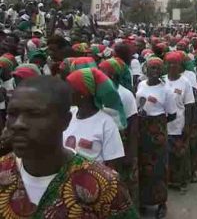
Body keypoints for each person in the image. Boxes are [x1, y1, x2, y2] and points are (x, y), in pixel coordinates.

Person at [0, 76, 138, 218]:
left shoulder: (105, 186)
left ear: (65, 121)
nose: (18, 124)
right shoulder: (3, 172)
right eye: (12, 114)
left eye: (34, 114)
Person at [136, 56, 177, 218]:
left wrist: (157, 126)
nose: (154, 71)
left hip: (157, 131)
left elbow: (172, 115)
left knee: (159, 167)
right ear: (146, 69)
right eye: (151, 68)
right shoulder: (140, 85)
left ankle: (161, 203)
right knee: (142, 165)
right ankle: (144, 201)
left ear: (162, 71)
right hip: (142, 128)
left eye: (157, 68)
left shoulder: (166, 90)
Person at [99, 57, 139, 205]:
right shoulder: (99, 94)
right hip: (106, 143)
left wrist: (131, 153)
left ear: (113, 76)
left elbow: (133, 125)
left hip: (122, 143)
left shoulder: (125, 94)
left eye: (103, 73)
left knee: (124, 182)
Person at [63, 68, 126, 164]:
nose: (65, 93)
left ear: (82, 94)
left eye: (69, 89)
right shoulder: (68, 114)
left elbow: (112, 164)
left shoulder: (106, 123)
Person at [163, 51, 195, 193]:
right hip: (162, 125)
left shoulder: (185, 83)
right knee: (165, 155)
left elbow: (189, 106)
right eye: (169, 64)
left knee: (178, 155)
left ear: (180, 65)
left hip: (178, 124)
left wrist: (187, 125)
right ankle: (167, 181)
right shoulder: (162, 80)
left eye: (175, 64)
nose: (172, 66)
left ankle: (179, 181)